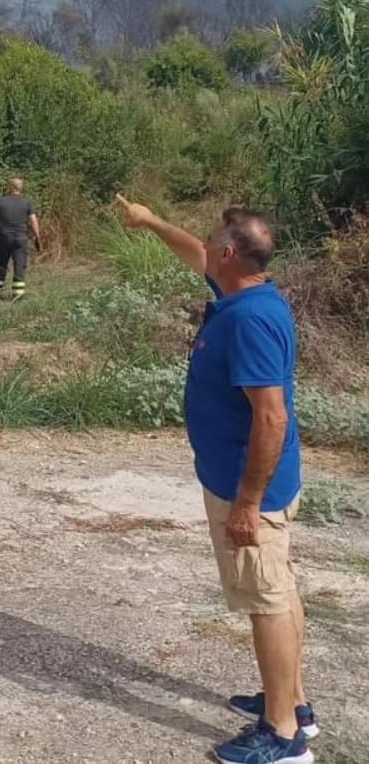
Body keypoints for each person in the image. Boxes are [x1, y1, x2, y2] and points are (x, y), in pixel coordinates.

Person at [116, 196, 315, 764]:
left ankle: (283, 734)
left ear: (229, 252)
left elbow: (271, 417)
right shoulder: (240, 293)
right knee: (278, 588)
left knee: (267, 599)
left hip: (249, 489)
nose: (204, 246)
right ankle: (292, 701)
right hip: (248, 482)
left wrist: (248, 504)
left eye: (212, 240)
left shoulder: (250, 319)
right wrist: (151, 222)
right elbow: (193, 252)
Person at [0, 178, 41, 301]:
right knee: (20, 264)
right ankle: (18, 294)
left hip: (5, 237)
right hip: (21, 238)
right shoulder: (27, 202)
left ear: (10, 186)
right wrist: (37, 237)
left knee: (1, 263)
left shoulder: (0, 201)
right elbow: (33, 220)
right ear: (20, 188)